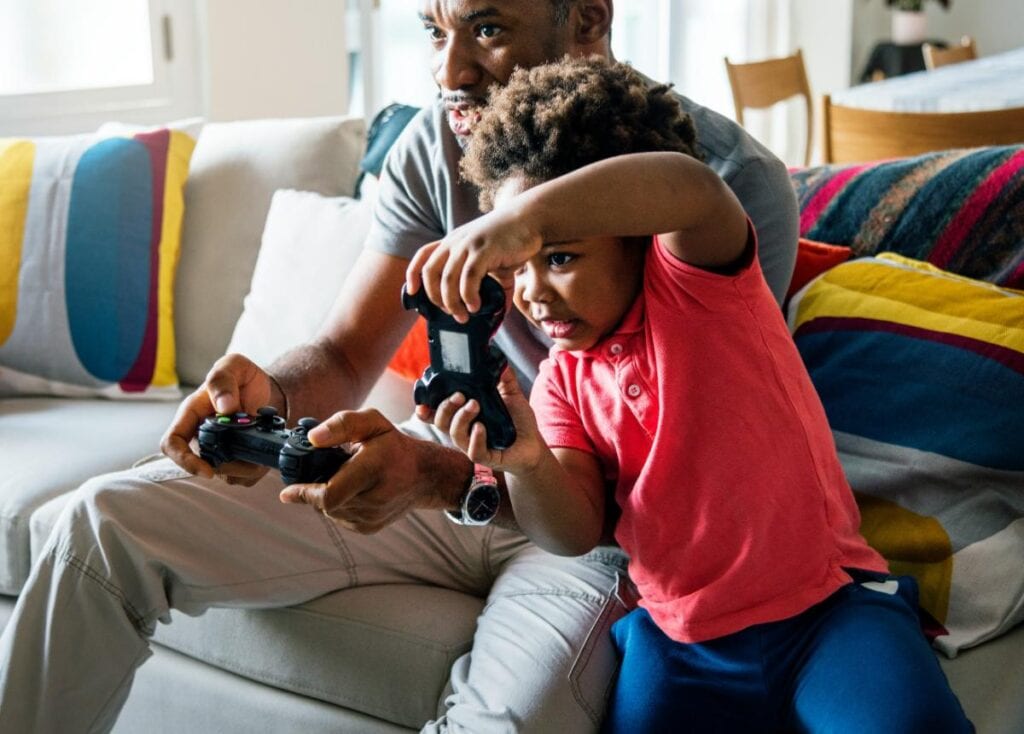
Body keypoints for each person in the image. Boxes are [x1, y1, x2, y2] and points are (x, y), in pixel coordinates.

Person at [0, 2, 800, 732]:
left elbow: (667, 478)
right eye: (433, 31)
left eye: (487, 28)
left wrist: (443, 478)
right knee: (95, 525)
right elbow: (347, 353)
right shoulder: (438, 140)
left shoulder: (727, 184)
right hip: (455, 455)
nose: (448, 71)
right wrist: (265, 395)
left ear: (588, 20)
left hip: (597, 526)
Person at [408, 56, 973, 733]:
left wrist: (522, 218)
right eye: (516, 267)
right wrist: (527, 463)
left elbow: (690, 189)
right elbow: (574, 528)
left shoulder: (701, 289)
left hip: (829, 612)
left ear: (639, 239)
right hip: (683, 644)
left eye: (558, 256)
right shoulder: (561, 380)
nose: (530, 290)